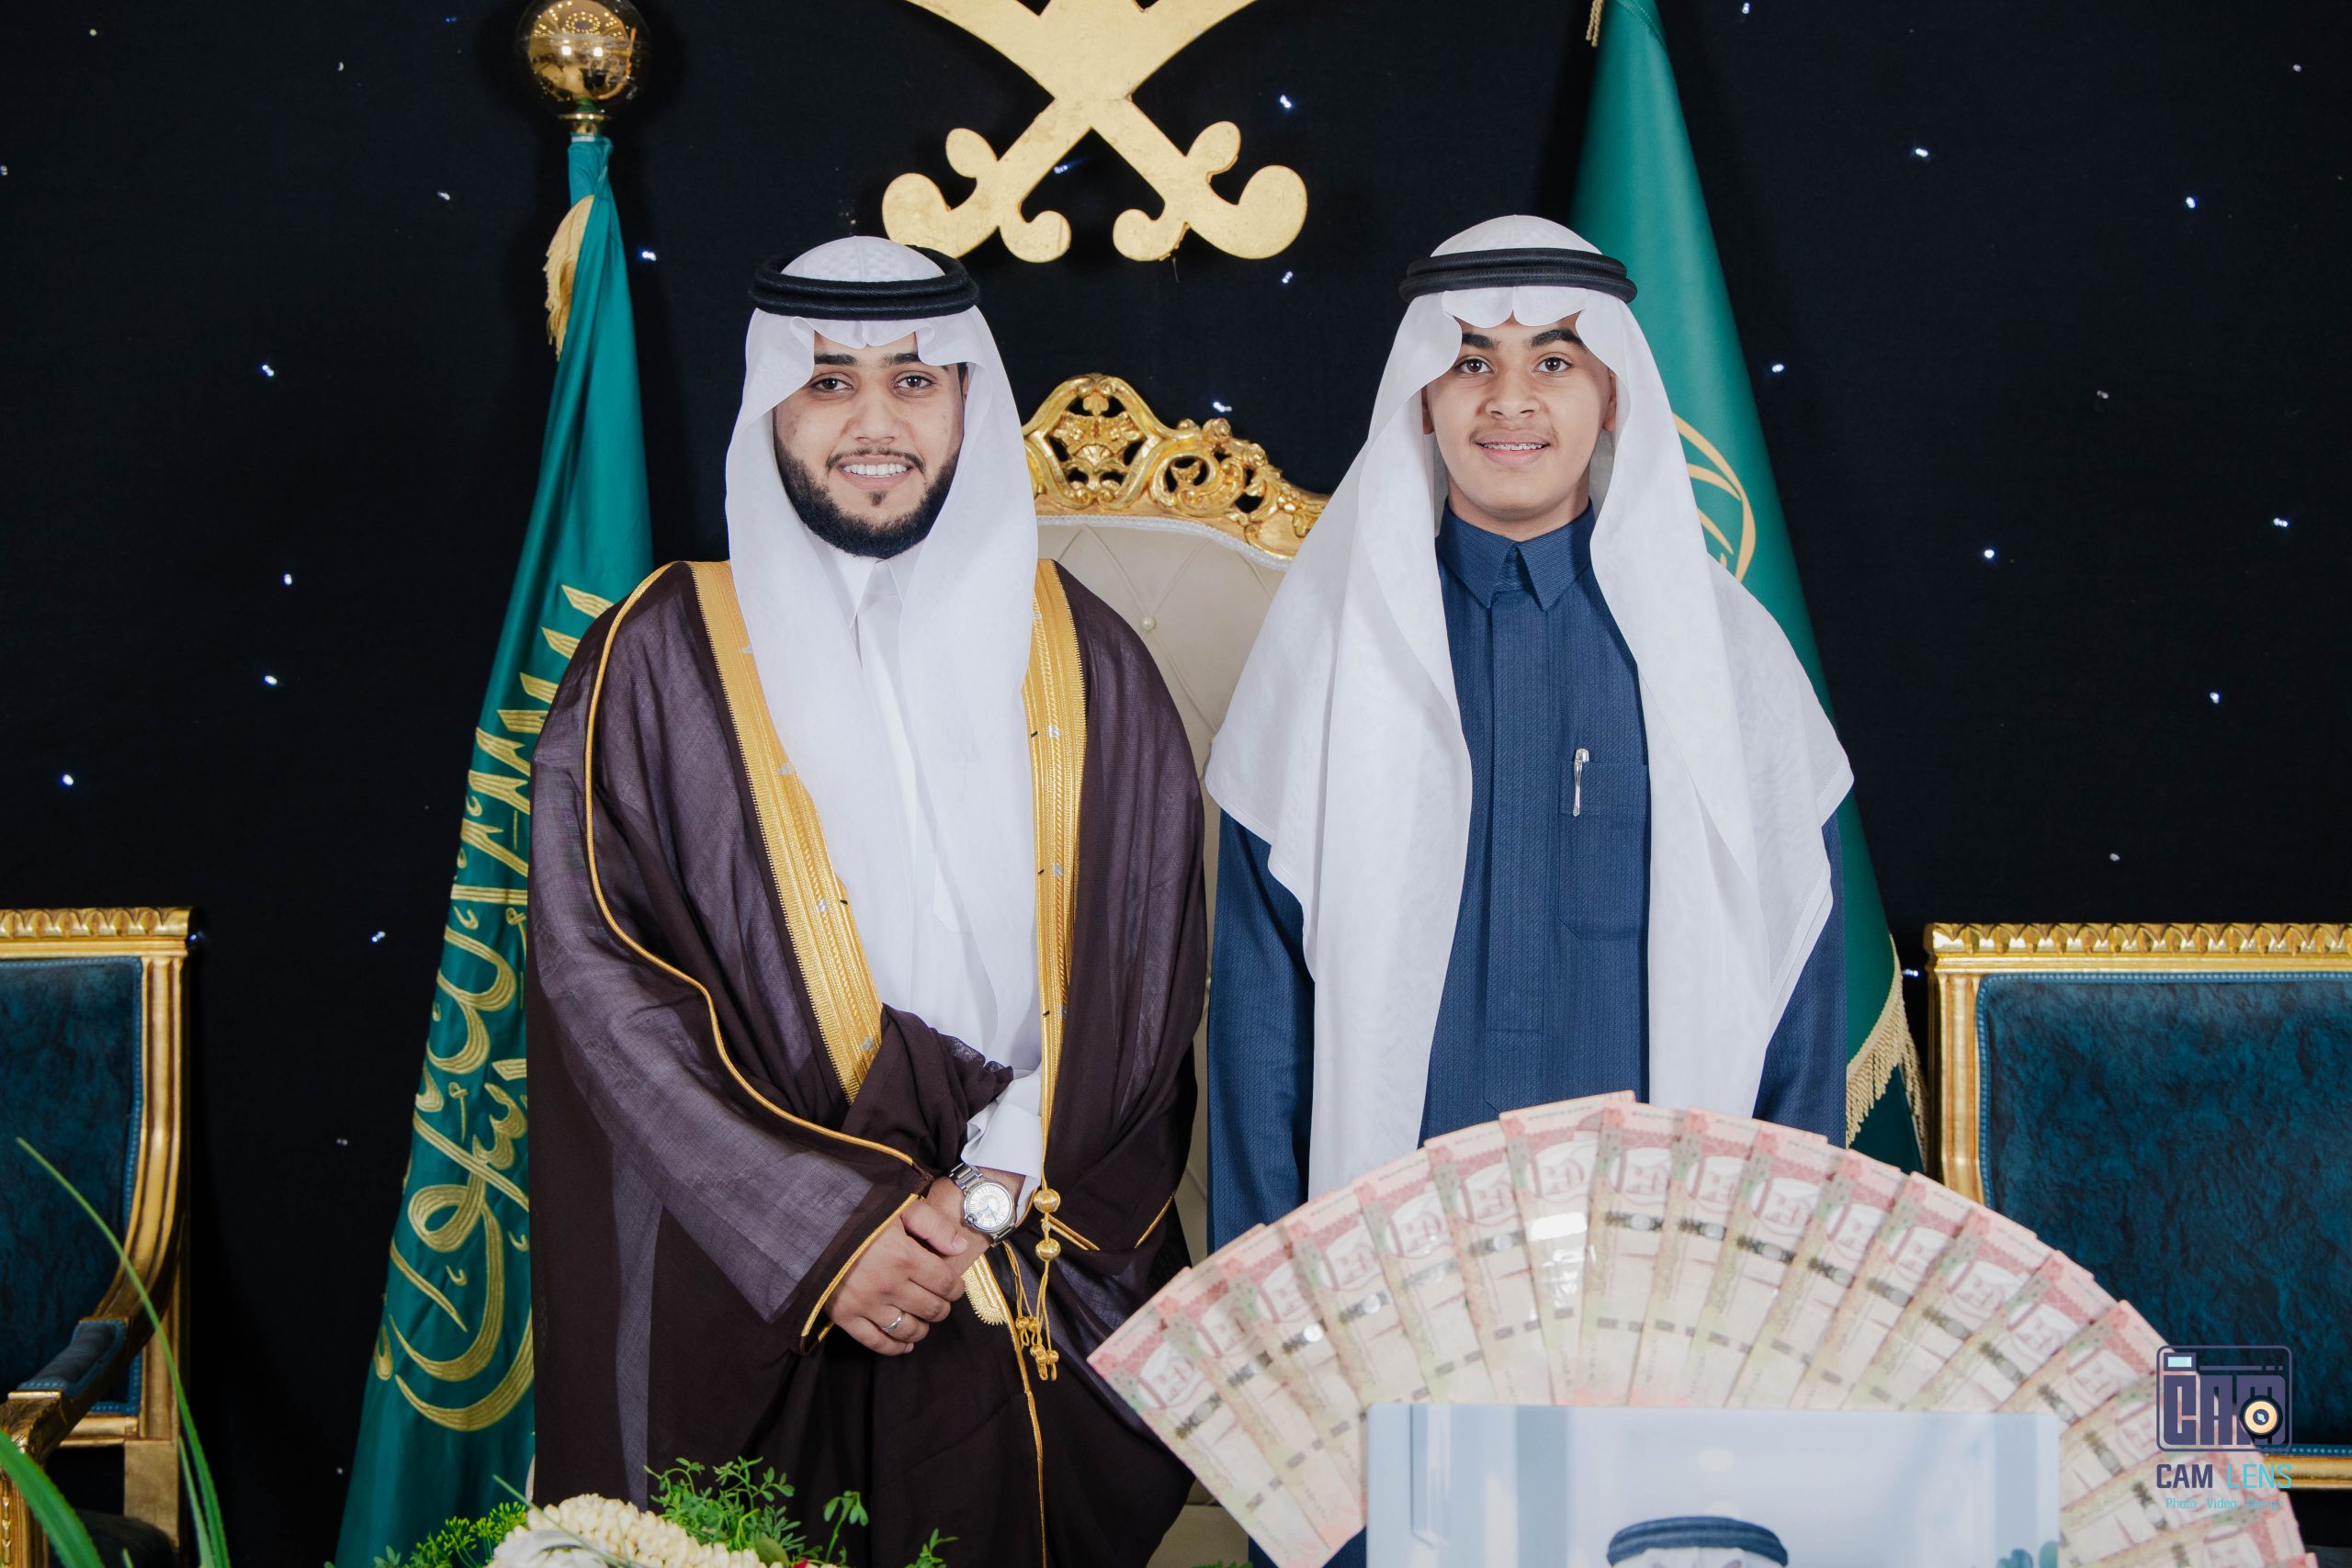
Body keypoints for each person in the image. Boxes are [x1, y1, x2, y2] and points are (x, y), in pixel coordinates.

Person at [527, 236, 1202, 1567]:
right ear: (770, 405)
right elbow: (599, 983)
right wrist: (824, 1231)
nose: (875, 423)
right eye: (829, 381)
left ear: (968, 401)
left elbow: (1151, 958)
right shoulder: (654, 658)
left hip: (1023, 1240)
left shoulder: (1086, 653)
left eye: (915, 379)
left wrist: (994, 1184)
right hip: (757, 1277)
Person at [1206, 211, 1851, 1356]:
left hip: (1660, 1272)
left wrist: (1770, 1288)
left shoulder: (1726, 659)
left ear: (1612, 395)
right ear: (1422, 397)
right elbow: (1260, 1032)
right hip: (1390, 1271)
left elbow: (1796, 1003)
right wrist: (1270, 1317)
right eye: (1470, 363)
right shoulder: (1328, 656)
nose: (1508, 401)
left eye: (1553, 362)